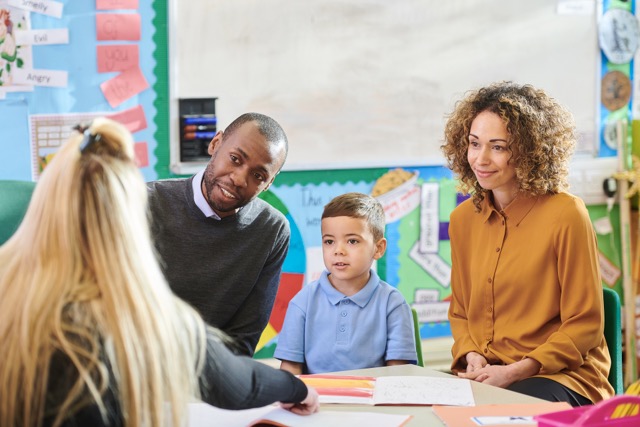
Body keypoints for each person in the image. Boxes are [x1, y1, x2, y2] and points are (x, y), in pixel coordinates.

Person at [0, 118, 318, 427]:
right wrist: (296, 388)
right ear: (126, 222)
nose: (237, 178)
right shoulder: (140, 316)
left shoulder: (9, 278)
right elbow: (235, 383)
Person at [441, 81, 613, 406]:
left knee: (504, 412)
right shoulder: (462, 220)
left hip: (560, 376)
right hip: (489, 374)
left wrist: (517, 371)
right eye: (474, 144)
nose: (481, 158)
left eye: (499, 147)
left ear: (530, 149)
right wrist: (471, 353)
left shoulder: (566, 214)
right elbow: (461, 313)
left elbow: (585, 324)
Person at [147, 112, 290, 356]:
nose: (239, 179)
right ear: (215, 144)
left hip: (213, 377)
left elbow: (245, 339)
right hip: (136, 370)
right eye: (235, 159)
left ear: (269, 183)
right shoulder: (144, 203)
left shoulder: (272, 230)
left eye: (258, 176)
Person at [275, 192, 417, 374]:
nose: (338, 251)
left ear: (378, 248)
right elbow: (290, 369)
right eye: (329, 241)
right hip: (316, 400)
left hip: (372, 399)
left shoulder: (393, 303)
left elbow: (398, 372)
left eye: (352, 241)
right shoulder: (303, 302)